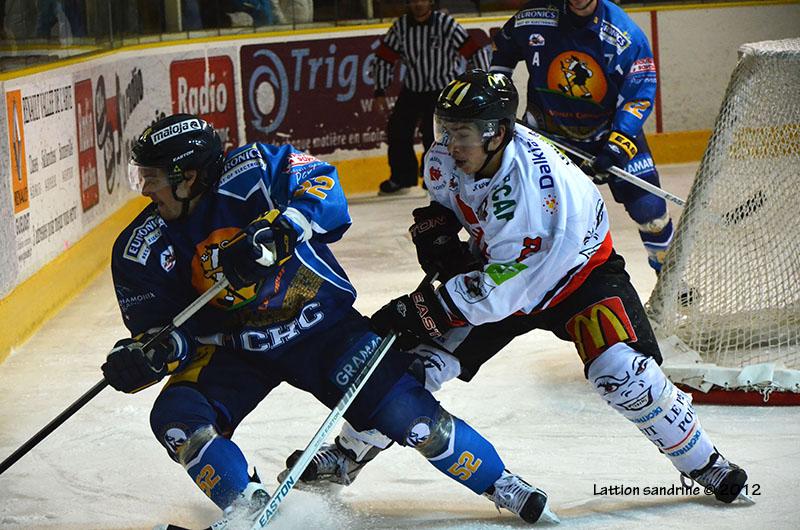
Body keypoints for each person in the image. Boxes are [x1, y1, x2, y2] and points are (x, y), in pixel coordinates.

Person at [278, 70, 751, 511]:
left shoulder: (534, 196)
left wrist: (420, 309)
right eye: (447, 128)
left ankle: (705, 463)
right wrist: (438, 234)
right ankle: (347, 455)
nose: (450, 143)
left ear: (498, 133)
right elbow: (449, 209)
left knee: (622, 371)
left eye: (463, 133)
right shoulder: (449, 155)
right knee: (414, 367)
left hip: (577, 278)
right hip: (501, 271)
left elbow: (498, 295)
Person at [100, 113, 559, 527]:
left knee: (408, 413)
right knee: (177, 417)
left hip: (322, 330)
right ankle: (248, 508)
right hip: (236, 350)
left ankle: (501, 484)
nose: (145, 190)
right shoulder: (140, 248)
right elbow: (165, 333)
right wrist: (144, 356)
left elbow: (324, 187)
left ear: (189, 177)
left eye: (152, 177)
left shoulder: (255, 169)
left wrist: (286, 227)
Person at [489, 0, 673, 273]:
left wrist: (616, 147)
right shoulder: (533, 17)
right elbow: (504, 48)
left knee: (650, 210)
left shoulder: (625, 35)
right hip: (549, 136)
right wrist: (497, 96)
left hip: (608, 133)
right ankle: (540, 283)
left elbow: (639, 95)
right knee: (535, 216)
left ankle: (669, 276)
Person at [372, 0, 490, 196]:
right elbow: (384, 58)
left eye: (422, 0)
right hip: (413, 89)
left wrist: (482, 83)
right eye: (414, 0)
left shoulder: (445, 24)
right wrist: (379, 90)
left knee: (434, 135)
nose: (418, 4)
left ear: (431, 1)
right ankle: (402, 178)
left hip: (442, 90)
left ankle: (435, 179)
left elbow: (474, 51)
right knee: (398, 130)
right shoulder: (401, 27)